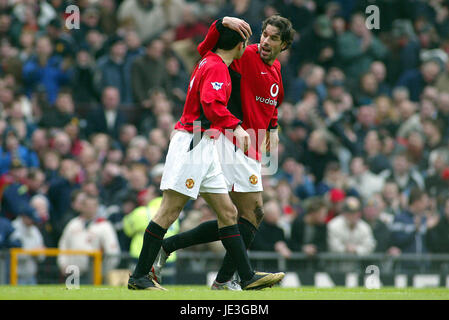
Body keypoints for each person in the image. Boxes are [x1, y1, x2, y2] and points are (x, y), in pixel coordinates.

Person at [127, 24, 284, 291]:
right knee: (169, 211)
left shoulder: (210, 60)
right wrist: (235, 126)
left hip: (205, 141)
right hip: (194, 139)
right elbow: (212, 104)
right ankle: (140, 276)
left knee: (228, 212)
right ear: (238, 46)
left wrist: (221, 23)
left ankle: (243, 277)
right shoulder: (217, 68)